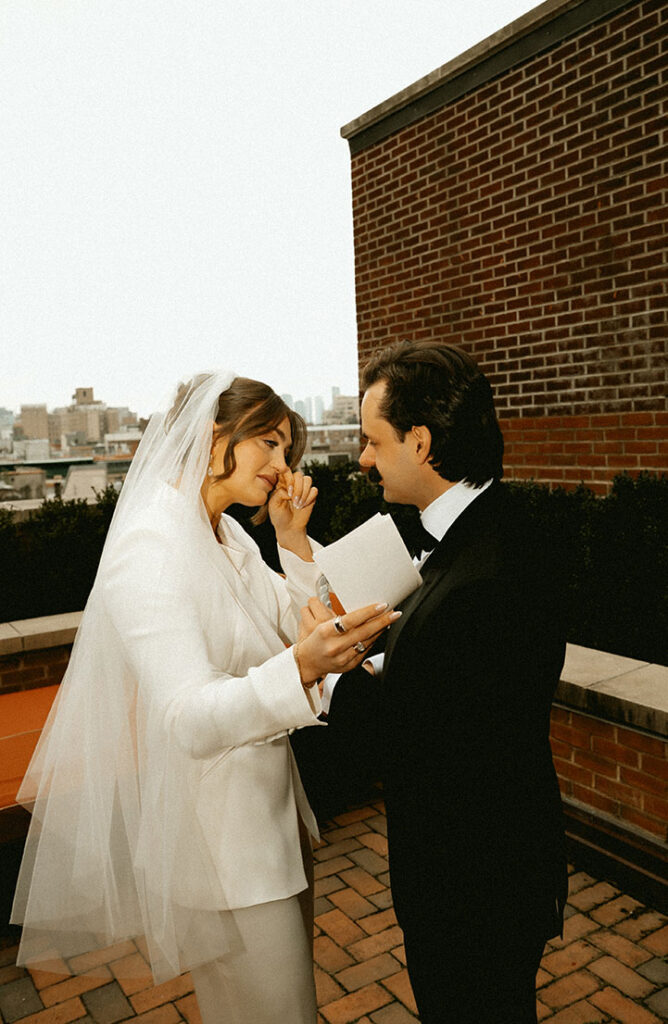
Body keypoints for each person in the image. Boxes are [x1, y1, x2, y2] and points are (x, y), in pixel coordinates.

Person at [11, 371, 399, 1024]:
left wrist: (293, 539)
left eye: (287, 450)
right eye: (270, 444)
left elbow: (287, 619)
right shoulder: (150, 548)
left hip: (267, 822)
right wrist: (299, 670)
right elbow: (187, 717)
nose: (283, 466)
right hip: (224, 853)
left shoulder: (223, 530)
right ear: (217, 434)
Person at [293, 342, 567, 1024]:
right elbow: (459, 701)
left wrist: (335, 663)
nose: (361, 459)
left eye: (371, 440)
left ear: (419, 442)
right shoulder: (493, 528)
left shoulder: (481, 584)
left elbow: (399, 743)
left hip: (472, 890)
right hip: (497, 867)